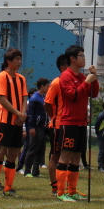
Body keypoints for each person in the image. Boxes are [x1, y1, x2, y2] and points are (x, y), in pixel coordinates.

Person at [55, 45, 98, 202]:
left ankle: (72, 190)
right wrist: (87, 81)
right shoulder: (66, 76)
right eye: (81, 55)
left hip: (81, 122)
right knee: (65, 155)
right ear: (72, 59)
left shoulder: (81, 77)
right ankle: (61, 192)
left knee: (76, 157)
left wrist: (94, 77)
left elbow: (94, 93)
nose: (84, 58)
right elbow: (72, 95)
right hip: (69, 122)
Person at [0, 49, 27, 198]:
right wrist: (18, 113)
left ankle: (8, 188)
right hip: (4, 121)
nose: (19, 61)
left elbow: (24, 98)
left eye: (20, 58)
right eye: (16, 59)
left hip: (17, 122)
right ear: (8, 61)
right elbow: (2, 99)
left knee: (12, 156)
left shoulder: (21, 78)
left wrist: (22, 115)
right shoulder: (1, 77)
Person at [44, 54, 68, 196]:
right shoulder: (57, 82)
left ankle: (66, 186)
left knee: (68, 156)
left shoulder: (72, 83)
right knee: (55, 156)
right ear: (63, 67)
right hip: (58, 126)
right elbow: (47, 103)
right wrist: (53, 117)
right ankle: (55, 186)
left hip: (70, 125)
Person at [22, 78, 48, 178]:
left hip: (43, 126)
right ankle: (27, 170)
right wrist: (32, 127)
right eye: (47, 86)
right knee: (32, 149)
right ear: (42, 86)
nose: (48, 88)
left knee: (40, 150)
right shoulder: (34, 98)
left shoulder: (43, 97)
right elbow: (31, 114)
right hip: (36, 127)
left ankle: (35, 171)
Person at [93, 106, 104, 172]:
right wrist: (100, 134)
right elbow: (97, 126)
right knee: (102, 151)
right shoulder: (101, 116)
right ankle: (100, 166)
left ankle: (103, 165)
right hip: (102, 136)